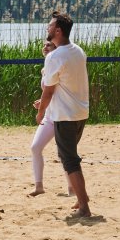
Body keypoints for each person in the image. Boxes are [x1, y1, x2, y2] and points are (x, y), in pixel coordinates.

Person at [32, 12, 92, 218]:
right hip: (80, 112)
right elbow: (64, 85)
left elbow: (48, 90)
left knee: (69, 160)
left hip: (65, 116)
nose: (47, 29)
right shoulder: (78, 51)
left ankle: (84, 206)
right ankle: (81, 198)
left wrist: (40, 113)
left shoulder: (54, 56)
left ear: (58, 30)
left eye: (50, 26)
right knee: (69, 157)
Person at [27, 34, 74, 199]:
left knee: (64, 154)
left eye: (49, 45)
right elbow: (50, 92)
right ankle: (39, 186)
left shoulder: (60, 64)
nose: (46, 47)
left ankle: (72, 189)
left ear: (56, 49)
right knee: (35, 148)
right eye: (45, 45)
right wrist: (43, 102)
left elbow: (58, 91)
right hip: (50, 115)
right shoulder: (45, 68)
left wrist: (42, 106)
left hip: (62, 116)